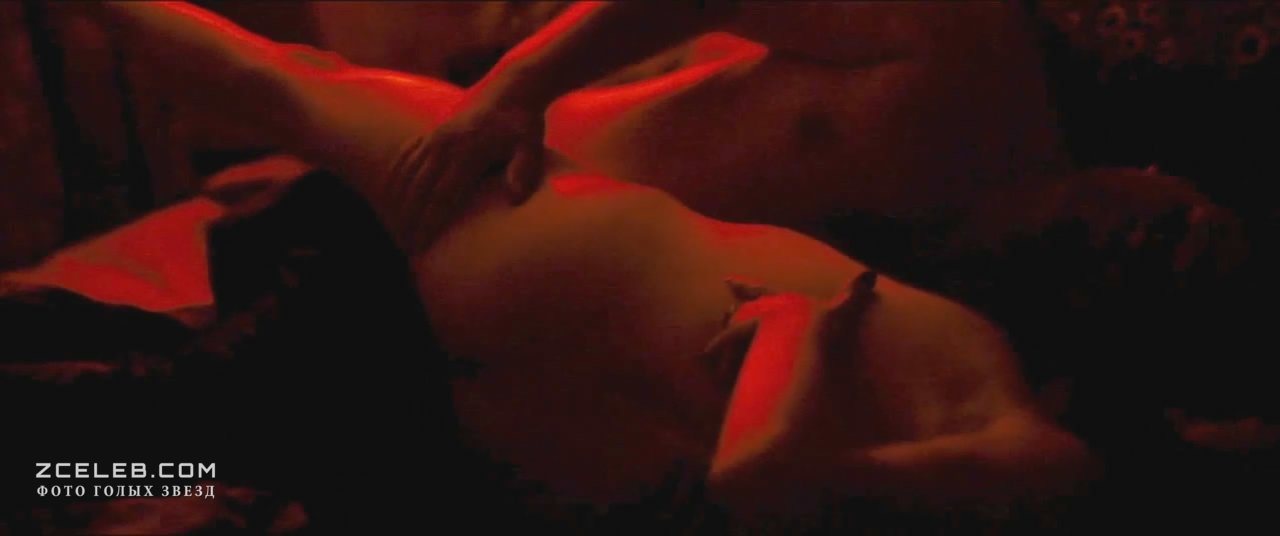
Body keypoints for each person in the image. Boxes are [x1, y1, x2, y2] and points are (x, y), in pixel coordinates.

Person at [87, 1, 1094, 525]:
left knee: (201, 426)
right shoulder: (966, 76)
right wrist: (514, 88)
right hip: (486, 223)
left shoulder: (994, 136)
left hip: (525, 291)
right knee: (187, 421)